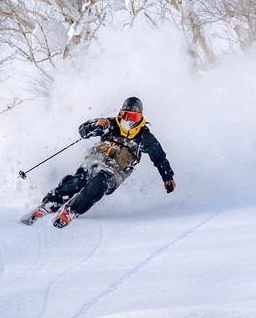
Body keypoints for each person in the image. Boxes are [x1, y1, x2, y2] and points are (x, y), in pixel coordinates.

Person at [22, 96, 176, 228]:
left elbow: (160, 158)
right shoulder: (110, 124)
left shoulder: (145, 137)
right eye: (127, 115)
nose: (129, 121)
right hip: (96, 160)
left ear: (140, 118)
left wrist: (167, 177)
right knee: (78, 180)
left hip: (117, 171)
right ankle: (49, 203)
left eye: (134, 118)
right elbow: (82, 131)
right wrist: (95, 126)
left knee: (99, 181)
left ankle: (72, 210)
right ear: (121, 114)